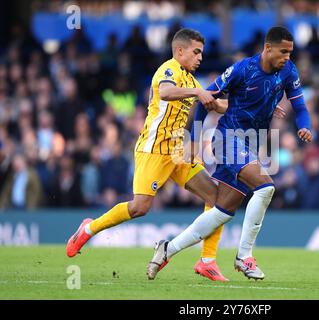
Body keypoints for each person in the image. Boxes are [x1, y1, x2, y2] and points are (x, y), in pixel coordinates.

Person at [147, 26, 312, 281]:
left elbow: (300, 106)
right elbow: (206, 99)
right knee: (266, 187)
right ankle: (244, 256)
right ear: (268, 48)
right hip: (227, 140)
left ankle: (167, 249)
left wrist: (304, 126)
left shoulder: (288, 71)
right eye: (283, 52)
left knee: (221, 211)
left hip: (251, 145)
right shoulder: (242, 70)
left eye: (290, 52)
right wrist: (195, 138)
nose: (287, 57)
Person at [66, 28, 232, 281]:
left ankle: (207, 261)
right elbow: (165, 92)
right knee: (139, 207)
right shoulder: (168, 70)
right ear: (180, 51)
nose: (200, 58)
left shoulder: (191, 81)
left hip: (177, 151)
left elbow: (216, 103)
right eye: (196, 52)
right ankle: (88, 229)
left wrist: (251, 104)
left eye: (202, 53)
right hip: (153, 149)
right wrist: (199, 93)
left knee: (217, 197)